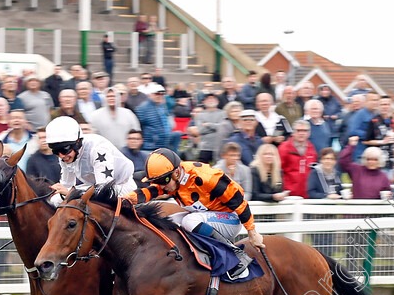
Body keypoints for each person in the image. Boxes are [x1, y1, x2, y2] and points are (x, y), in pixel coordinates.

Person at [127, 148, 265, 276]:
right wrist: (124, 200)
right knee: (169, 222)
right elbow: (150, 191)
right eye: (156, 181)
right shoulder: (171, 179)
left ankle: (236, 254)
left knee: (190, 221)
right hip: (206, 218)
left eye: (163, 180)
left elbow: (239, 202)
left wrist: (252, 232)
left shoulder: (206, 177)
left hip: (230, 220)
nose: (161, 185)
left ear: (176, 173)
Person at [46, 116, 136, 206]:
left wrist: (70, 193)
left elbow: (104, 191)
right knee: (55, 200)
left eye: (65, 149)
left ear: (77, 142)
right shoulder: (65, 155)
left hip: (118, 188)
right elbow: (66, 186)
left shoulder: (98, 149)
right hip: (92, 187)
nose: (61, 156)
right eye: (55, 151)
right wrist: (58, 190)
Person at [279, 120, 317, 198]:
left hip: (307, 193)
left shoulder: (311, 148)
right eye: (298, 130)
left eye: (305, 131)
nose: (301, 133)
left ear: (309, 133)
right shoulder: (284, 148)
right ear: (293, 132)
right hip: (289, 194)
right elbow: (278, 170)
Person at [186, 92, 226, 163]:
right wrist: (216, 127)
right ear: (203, 102)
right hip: (205, 147)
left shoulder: (223, 113)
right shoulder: (200, 115)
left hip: (220, 146)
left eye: (213, 99)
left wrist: (208, 125)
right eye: (208, 99)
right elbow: (200, 130)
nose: (211, 100)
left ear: (218, 101)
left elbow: (223, 127)